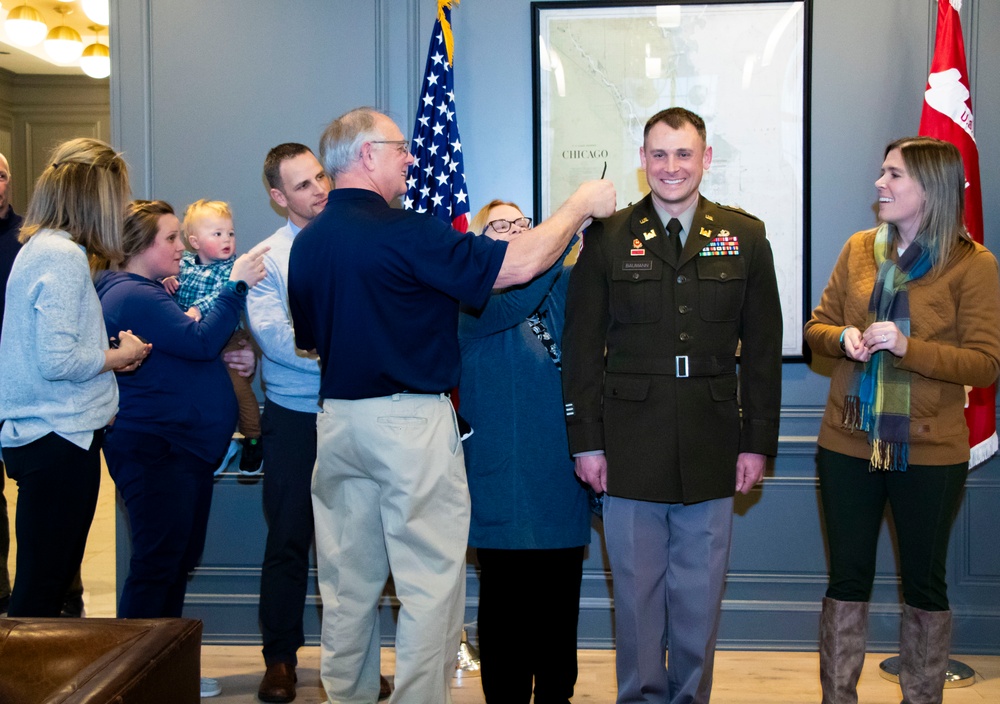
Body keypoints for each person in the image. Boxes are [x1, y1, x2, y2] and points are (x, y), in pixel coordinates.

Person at [287, 106, 615, 704]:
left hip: (337, 423)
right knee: (429, 591)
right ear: (366, 155)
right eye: (398, 149)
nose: (411, 159)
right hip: (409, 423)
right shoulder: (409, 231)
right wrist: (579, 205)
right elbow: (515, 267)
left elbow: (309, 338)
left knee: (346, 589)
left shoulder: (306, 247)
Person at [562, 107, 783, 704]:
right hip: (628, 443)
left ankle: (691, 698)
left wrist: (757, 441)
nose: (671, 167)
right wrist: (586, 440)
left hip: (714, 441)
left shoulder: (746, 236)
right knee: (635, 598)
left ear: (706, 158)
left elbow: (762, 351)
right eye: (659, 154)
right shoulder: (607, 238)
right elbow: (581, 349)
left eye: (684, 154)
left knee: (698, 594)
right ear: (642, 161)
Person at [803, 137, 1000, 704]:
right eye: (882, 172)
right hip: (846, 442)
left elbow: (985, 364)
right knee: (846, 581)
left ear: (929, 188)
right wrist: (842, 337)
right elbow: (817, 330)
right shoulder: (859, 249)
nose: (879, 184)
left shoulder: (974, 264)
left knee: (924, 584)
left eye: (893, 175)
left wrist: (909, 347)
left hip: (932, 449)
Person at [248, 143, 392, 703]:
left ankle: (355, 664)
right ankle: (280, 659)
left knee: (358, 546)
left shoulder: (359, 237)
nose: (318, 190)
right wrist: (348, 347)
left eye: (319, 177)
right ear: (279, 197)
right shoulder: (267, 258)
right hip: (295, 416)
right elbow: (278, 341)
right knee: (288, 541)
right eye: (302, 185)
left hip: (356, 409)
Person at [0, 138, 151, 618]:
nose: (123, 207)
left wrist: (104, 353)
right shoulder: (62, 256)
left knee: (42, 587)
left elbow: (52, 349)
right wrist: (119, 355)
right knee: (40, 598)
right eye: (118, 196)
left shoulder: (39, 246)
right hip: (59, 439)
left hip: (47, 437)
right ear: (96, 198)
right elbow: (58, 361)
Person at [96, 200, 265, 620]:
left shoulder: (151, 292)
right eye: (170, 239)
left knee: (170, 566)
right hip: (159, 451)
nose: (179, 248)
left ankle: (164, 670)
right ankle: (138, 677)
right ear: (139, 245)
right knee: (157, 568)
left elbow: (196, 349)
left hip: (177, 451)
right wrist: (236, 287)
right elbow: (200, 342)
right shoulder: (134, 294)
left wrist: (241, 350)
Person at [458, 199, 591, 703]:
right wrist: (564, 236)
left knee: (559, 613)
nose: (515, 231)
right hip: (501, 481)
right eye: (500, 226)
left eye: (523, 224)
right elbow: (516, 301)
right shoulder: (469, 300)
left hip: (561, 475)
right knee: (506, 614)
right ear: (478, 242)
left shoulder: (563, 285)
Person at [172, 199, 263, 473]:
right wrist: (167, 280)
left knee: (237, 387)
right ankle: (219, 442)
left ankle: (253, 437)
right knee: (193, 392)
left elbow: (226, 292)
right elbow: (167, 281)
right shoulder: (184, 264)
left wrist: (198, 309)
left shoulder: (233, 268)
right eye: (218, 234)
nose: (227, 239)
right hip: (192, 339)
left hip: (229, 337)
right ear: (194, 242)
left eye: (230, 233)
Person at [0, 151, 22, 616]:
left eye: (0, 174)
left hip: (25, 378)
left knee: (44, 494)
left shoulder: (29, 238)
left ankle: (67, 598)